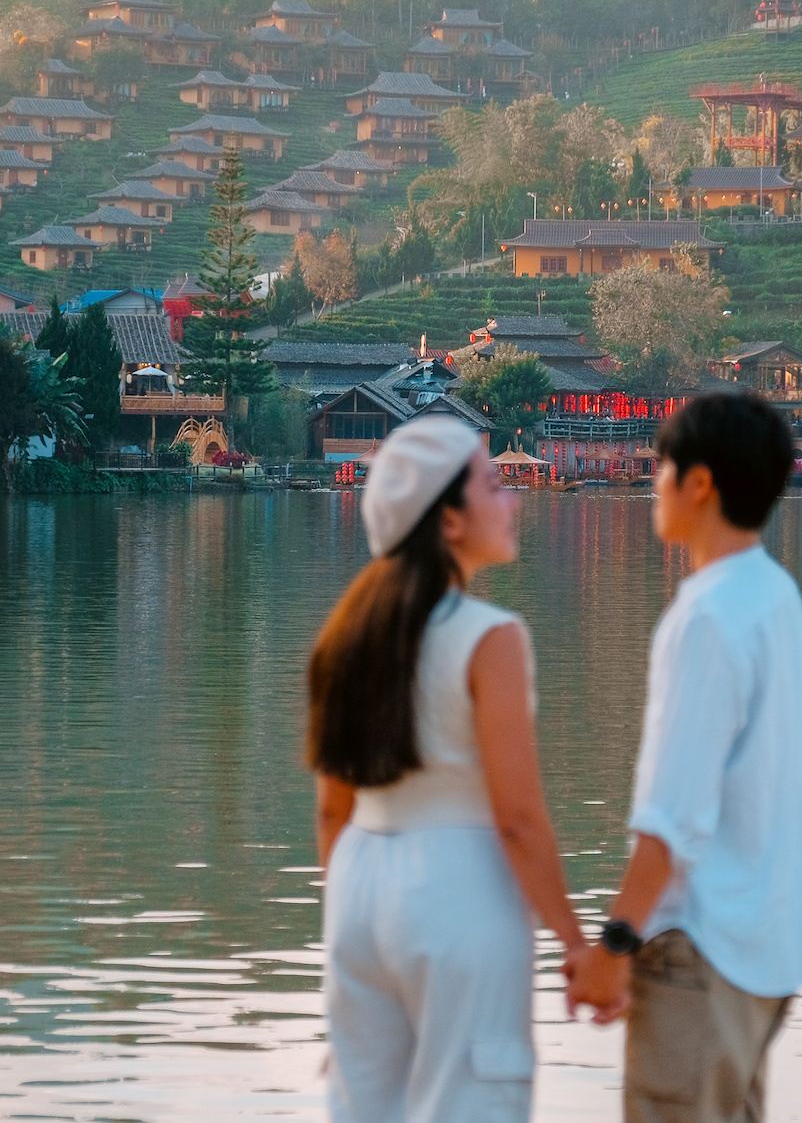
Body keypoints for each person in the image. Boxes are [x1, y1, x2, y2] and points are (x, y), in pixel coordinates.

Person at [308, 416, 586, 1123]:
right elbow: (518, 819)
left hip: (359, 890)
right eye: (495, 484)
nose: (514, 498)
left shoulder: (344, 636)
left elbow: (332, 810)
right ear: (451, 521)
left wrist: (350, 912)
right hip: (457, 892)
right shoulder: (489, 638)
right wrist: (578, 943)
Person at [567, 391, 802, 1122]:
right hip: (767, 952)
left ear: (700, 482)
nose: (653, 484)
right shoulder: (777, 596)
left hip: (699, 955)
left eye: (660, 467)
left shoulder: (704, 617)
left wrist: (614, 946)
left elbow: (672, 822)